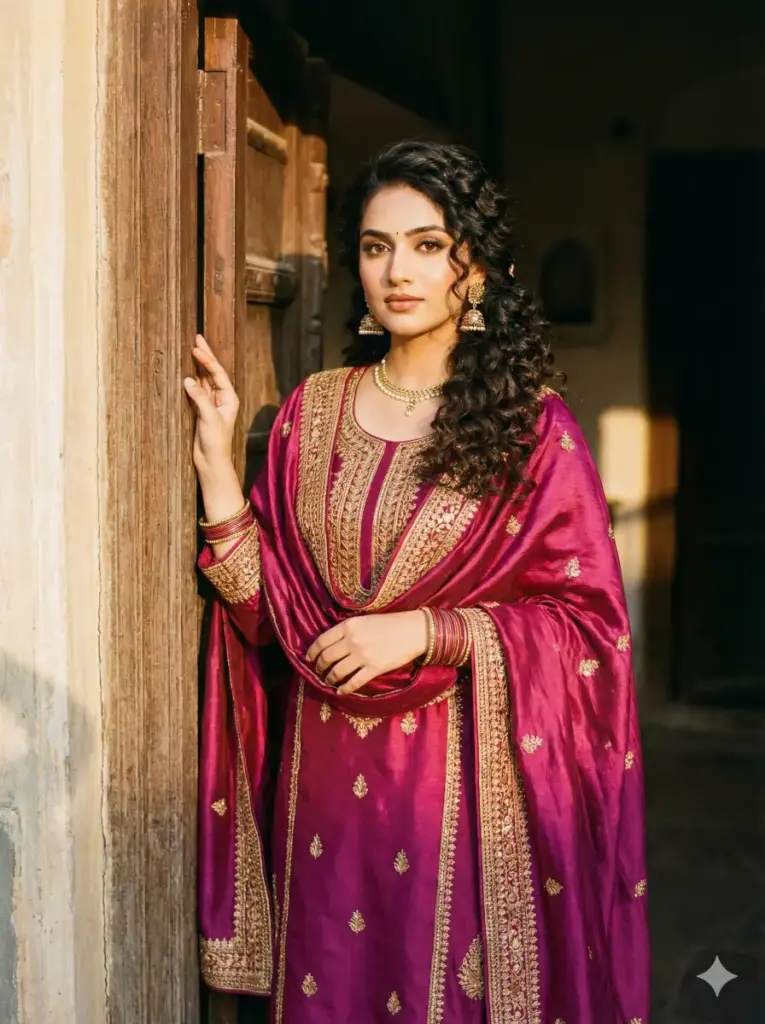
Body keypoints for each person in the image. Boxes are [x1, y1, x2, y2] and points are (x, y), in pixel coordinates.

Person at [185, 140, 649, 1024]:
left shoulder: (531, 432)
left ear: (473, 270)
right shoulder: (310, 411)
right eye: (375, 246)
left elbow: (590, 630)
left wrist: (432, 630)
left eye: (428, 245)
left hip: (460, 796)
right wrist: (216, 468)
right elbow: (265, 614)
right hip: (323, 798)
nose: (397, 270)